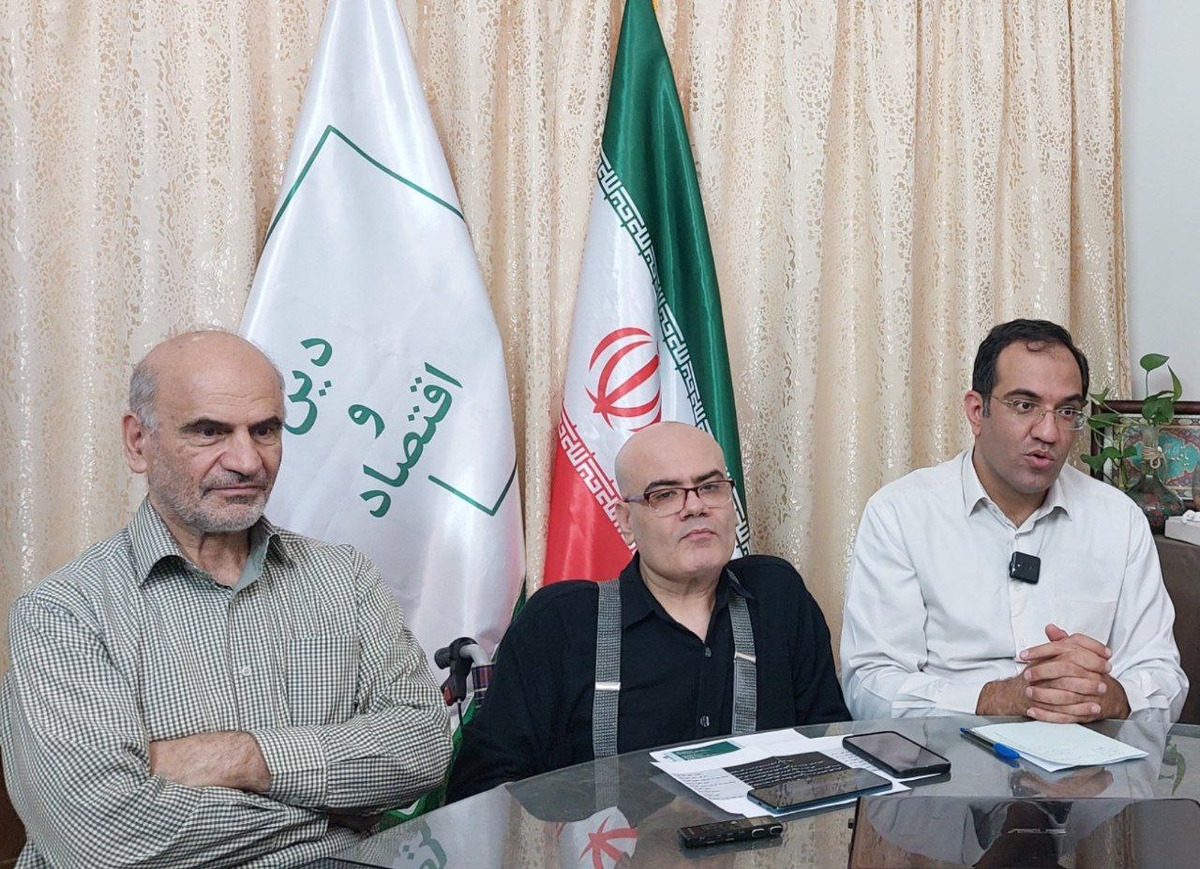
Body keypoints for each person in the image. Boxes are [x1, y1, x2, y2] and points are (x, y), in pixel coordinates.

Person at [0, 331, 452, 868]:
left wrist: (245, 757)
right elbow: (101, 840)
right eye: (209, 431)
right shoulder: (62, 612)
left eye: (265, 430)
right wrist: (335, 816)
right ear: (138, 442)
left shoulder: (345, 578)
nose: (246, 461)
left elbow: (426, 747)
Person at [447, 422, 848, 801]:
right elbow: (481, 789)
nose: (695, 507)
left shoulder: (777, 596)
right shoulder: (559, 624)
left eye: (710, 487)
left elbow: (833, 747)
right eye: (665, 495)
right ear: (625, 521)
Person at [841, 319, 1187, 723]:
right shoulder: (899, 514)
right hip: (949, 753)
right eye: (1024, 405)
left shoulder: (1119, 519)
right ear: (977, 412)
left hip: (1086, 751)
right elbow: (870, 686)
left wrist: (1110, 697)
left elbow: (1163, 675)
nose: (1048, 432)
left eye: (1067, 411)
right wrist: (997, 699)